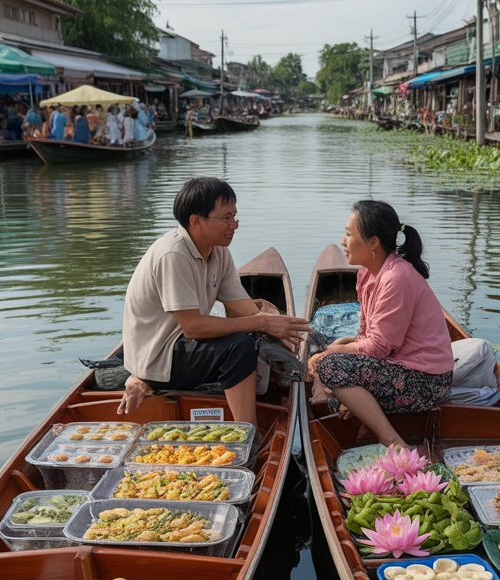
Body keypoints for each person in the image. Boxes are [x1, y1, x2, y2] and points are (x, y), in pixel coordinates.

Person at [117, 176, 309, 423]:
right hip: (158, 357)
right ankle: (247, 432)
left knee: (256, 337)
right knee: (240, 347)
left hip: (182, 344)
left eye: (235, 216)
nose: (234, 225)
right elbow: (194, 327)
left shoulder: (219, 250)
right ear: (196, 221)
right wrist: (262, 323)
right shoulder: (173, 255)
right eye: (226, 218)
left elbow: (241, 309)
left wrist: (281, 326)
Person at [307, 200, 454, 449]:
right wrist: (344, 344)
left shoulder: (398, 277)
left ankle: (393, 442)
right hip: (397, 367)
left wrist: (332, 353)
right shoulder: (367, 273)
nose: (343, 240)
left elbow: (379, 347)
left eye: (349, 234)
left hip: (427, 381)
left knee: (330, 367)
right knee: (330, 374)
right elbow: (366, 332)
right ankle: (368, 417)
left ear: (373, 242)